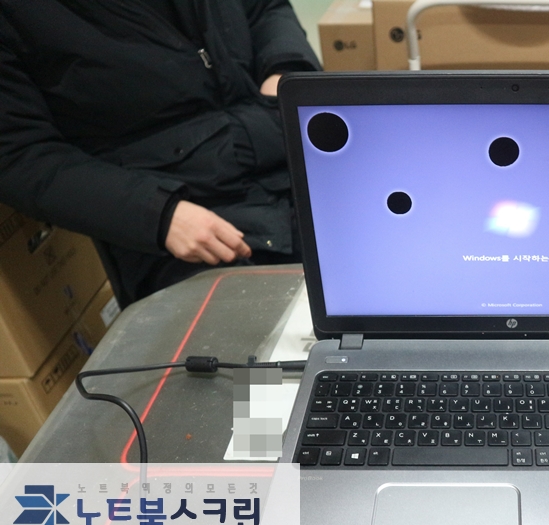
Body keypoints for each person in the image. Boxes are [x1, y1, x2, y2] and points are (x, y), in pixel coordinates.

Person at [0, 0, 321, 306]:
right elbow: (20, 153)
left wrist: (286, 70)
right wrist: (158, 215)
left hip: (286, 159)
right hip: (183, 223)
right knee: (268, 332)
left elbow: (265, 9)